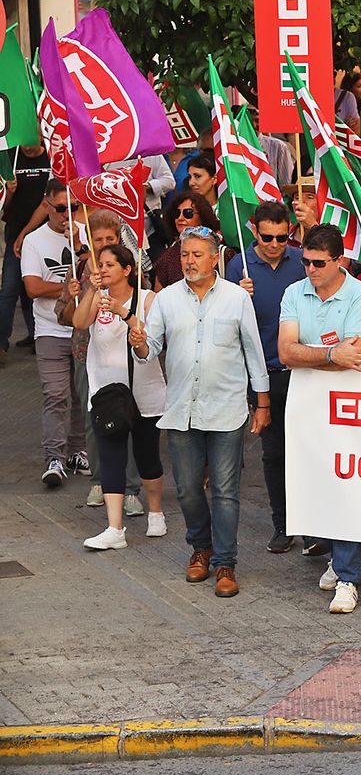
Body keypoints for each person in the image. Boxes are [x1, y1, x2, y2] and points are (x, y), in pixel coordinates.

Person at [129, 227, 270, 598]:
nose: (189, 261)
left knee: (225, 491)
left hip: (227, 409)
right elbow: (151, 347)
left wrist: (263, 402)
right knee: (188, 489)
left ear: (214, 258)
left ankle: (226, 562)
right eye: (185, 255)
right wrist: (141, 345)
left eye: (196, 255)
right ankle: (200, 548)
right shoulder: (167, 299)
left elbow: (254, 352)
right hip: (181, 410)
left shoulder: (237, 298)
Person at [276, 224, 361, 612]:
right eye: (306, 262)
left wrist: (315, 355)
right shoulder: (293, 292)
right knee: (319, 485)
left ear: (341, 261)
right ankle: (338, 558)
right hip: (307, 405)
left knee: (348, 486)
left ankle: (349, 577)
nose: (310, 269)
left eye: (319, 263)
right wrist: (331, 356)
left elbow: (356, 355)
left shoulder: (360, 294)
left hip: (349, 407)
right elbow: (286, 352)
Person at [223, 201, 305, 554]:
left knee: (307, 450)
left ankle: (313, 524)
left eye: (282, 237)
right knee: (273, 453)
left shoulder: (303, 260)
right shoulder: (237, 264)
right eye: (268, 237)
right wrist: (236, 298)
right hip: (264, 375)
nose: (274, 244)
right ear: (254, 231)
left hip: (303, 371)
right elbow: (222, 318)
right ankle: (282, 524)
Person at [76, 243, 167, 549]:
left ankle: (156, 511)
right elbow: (79, 322)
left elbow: (152, 338)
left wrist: (123, 312)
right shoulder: (97, 297)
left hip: (144, 392)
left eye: (109, 265)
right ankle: (115, 528)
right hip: (106, 392)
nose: (102, 269)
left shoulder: (148, 299)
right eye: (99, 264)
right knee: (111, 457)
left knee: (146, 456)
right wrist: (91, 290)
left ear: (127, 270)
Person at [22, 180, 83, 486]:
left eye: (74, 207)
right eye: (61, 208)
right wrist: (67, 288)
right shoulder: (34, 240)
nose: (67, 214)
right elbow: (32, 287)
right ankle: (54, 457)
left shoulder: (84, 238)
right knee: (55, 395)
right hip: (49, 330)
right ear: (47, 206)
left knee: (82, 395)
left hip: (83, 329)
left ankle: (78, 450)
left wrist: (80, 246)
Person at [0, 142, 50, 367]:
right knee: (9, 289)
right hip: (14, 236)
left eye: (32, 141)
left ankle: (36, 335)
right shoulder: (11, 157)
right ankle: (1, 344)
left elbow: (47, 202)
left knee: (36, 288)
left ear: (40, 135)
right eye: (25, 143)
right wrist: (8, 193)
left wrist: (25, 234)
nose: (28, 147)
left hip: (45, 236)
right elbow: (3, 205)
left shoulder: (51, 156)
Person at [152, 193, 220, 289]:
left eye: (188, 213)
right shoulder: (166, 259)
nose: (180, 218)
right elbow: (158, 299)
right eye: (176, 213)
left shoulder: (222, 252)